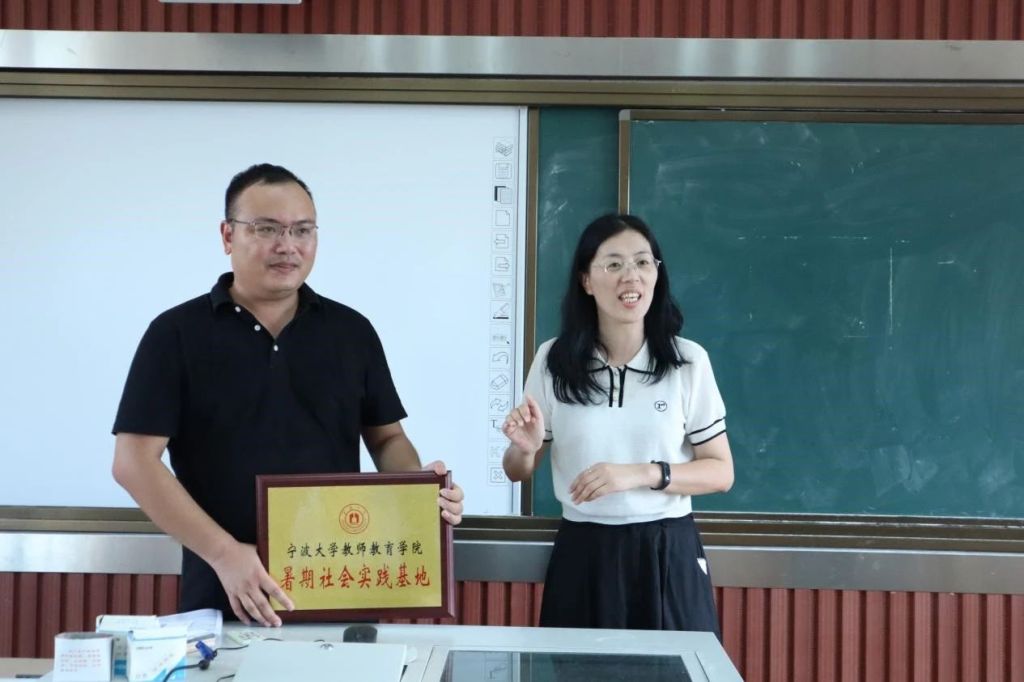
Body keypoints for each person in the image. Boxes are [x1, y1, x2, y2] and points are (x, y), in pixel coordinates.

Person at [112, 163, 464, 627]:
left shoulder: (351, 332)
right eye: (266, 229)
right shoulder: (175, 334)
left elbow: (387, 439)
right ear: (227, 235)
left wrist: (418, 492)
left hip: (340, 587)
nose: (287, 245)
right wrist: (225, 554)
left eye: (302, 230)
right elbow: (133, 462)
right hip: (225, 593)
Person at [502, 213, 733, 634]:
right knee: (578, 666)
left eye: (643, 262)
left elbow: (721, 472)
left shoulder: (687, 361)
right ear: (586, 281)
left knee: (676, 666)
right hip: (583, 550)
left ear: (657, 274)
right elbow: (518, 471)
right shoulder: (554, 360)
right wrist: (525, 448)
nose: (632, 276)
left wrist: (640, 474)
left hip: (667, 549)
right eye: (613, 264)